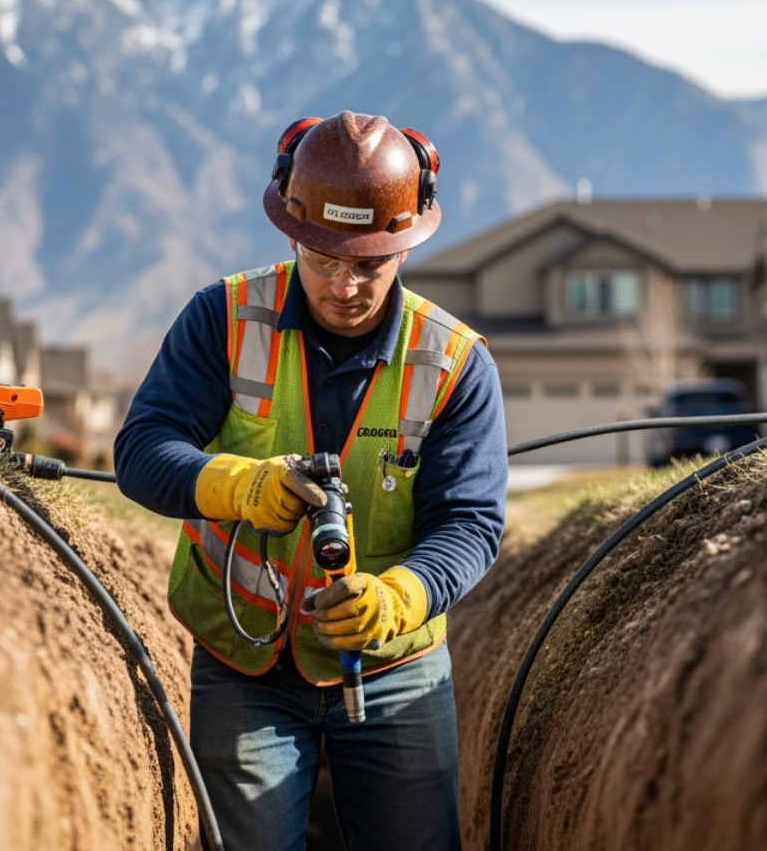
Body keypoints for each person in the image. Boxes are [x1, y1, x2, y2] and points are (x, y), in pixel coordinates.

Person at [114, 110, 507, 851]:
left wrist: (400, 596)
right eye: (323, 258)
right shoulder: (223, 318)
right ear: (292, 231)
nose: (345, 284)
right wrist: (238, 487)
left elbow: (471, 523)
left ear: (407, 243)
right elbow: (141, 451)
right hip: (246, 662)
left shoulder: (454, 362)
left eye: (369, 264)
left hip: (397, 669)